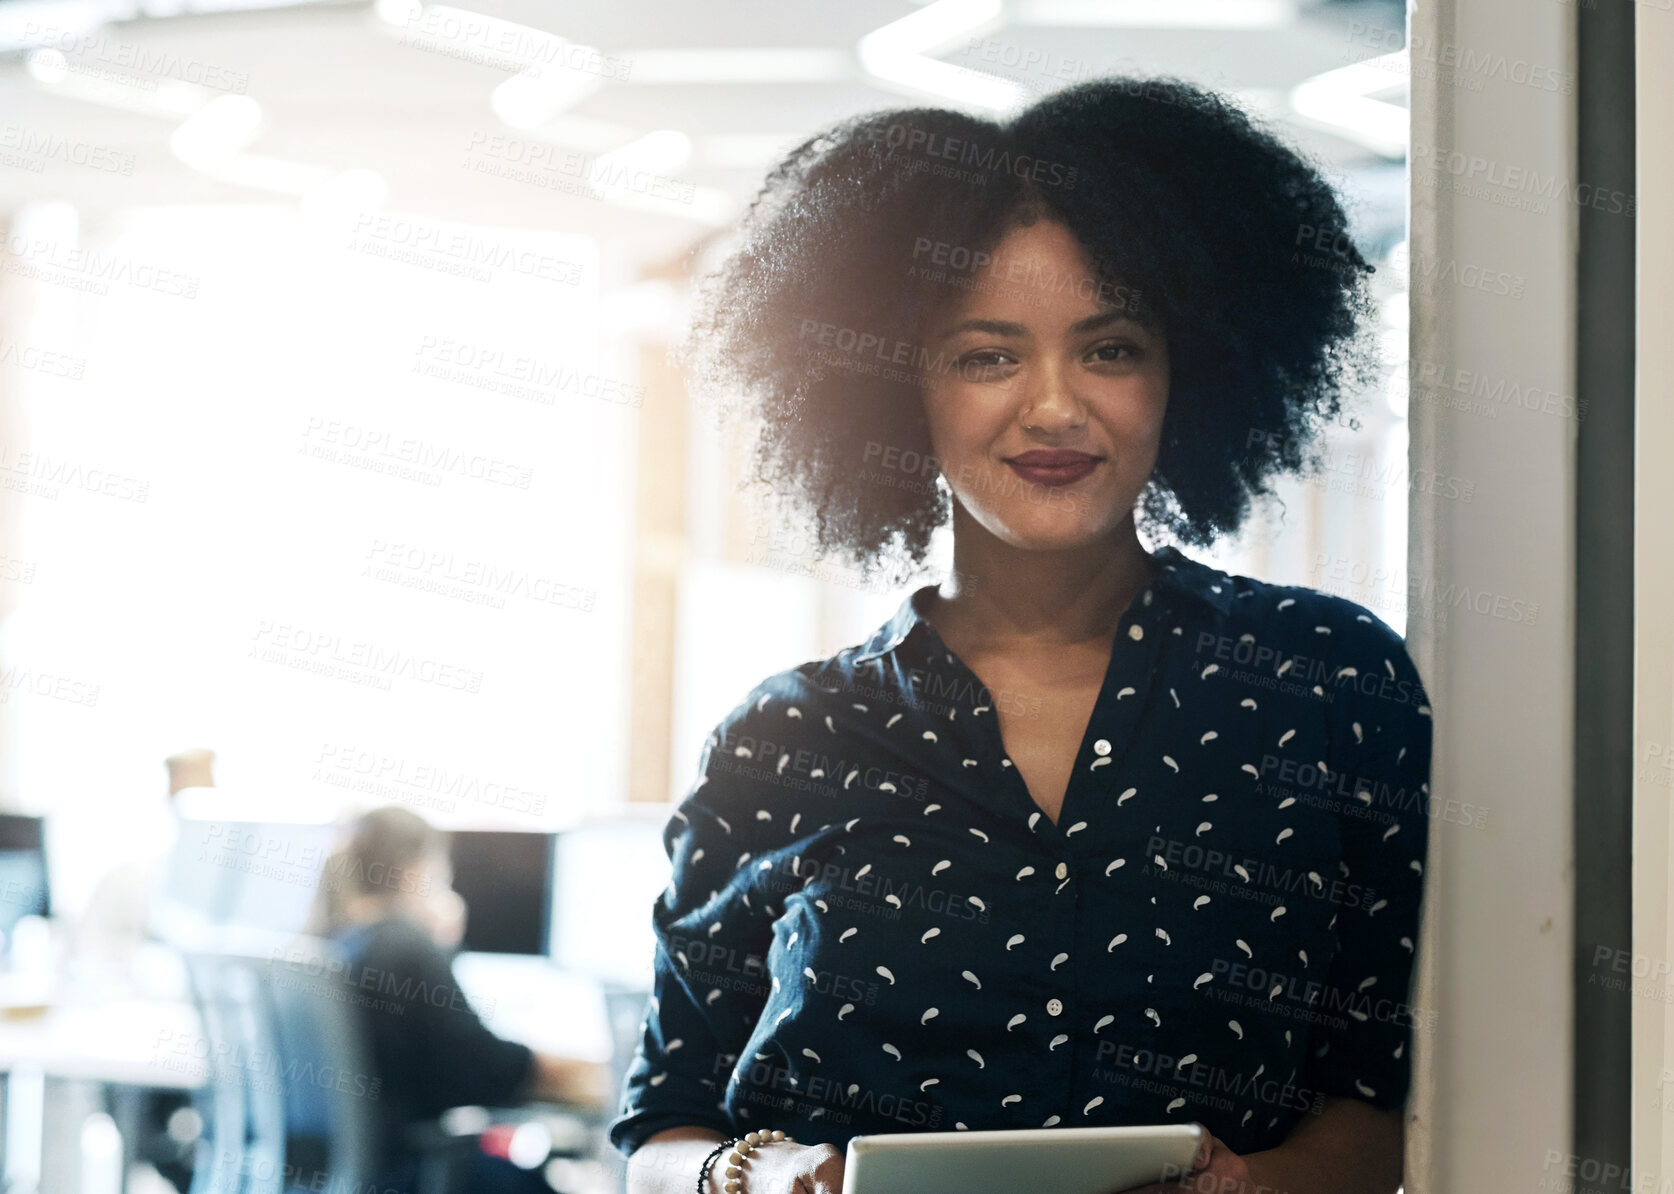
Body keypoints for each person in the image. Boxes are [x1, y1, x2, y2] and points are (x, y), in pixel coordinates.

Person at [613, 76, 1433, 1194]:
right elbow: (660, 1130)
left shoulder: (1328, 683)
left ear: (1187, 369)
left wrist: (1257, 1189)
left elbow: (1386, 1100)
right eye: (987, 355)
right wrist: (756, 1177)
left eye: (1111, 349)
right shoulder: (780, 741)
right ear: (896, 388)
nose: (1053, 407)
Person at [315, 806, 609, 1193]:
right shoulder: (404, 946)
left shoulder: (343, 942)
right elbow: (486, 1070)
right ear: (417, 871)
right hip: (411, 1172)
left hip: (366, 1170)